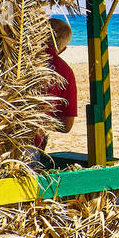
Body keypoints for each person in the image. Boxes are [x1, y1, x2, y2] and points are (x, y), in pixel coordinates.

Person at [32, 17, 78, 165]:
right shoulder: (65, 71)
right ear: (63, 49)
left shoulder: (15, 56)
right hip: (30, 144)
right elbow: (66, 126)